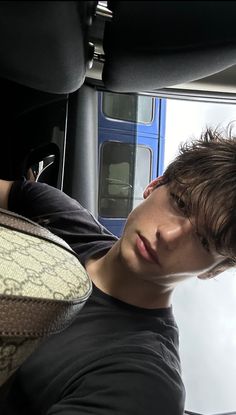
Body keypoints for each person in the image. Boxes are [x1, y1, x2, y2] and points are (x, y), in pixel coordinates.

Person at [0, 127, 236, 414]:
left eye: (202, 241)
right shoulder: (62, 218)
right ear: (154, 185)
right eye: (180, 202)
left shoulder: (145, 383)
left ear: (213, 270)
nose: (170, 235)